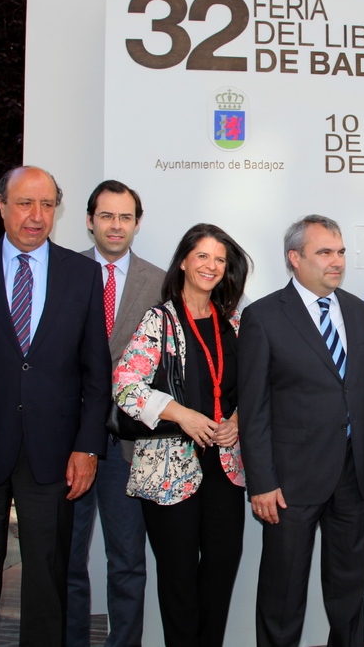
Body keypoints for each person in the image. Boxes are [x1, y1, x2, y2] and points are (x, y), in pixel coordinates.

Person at [0, 166, 111, 647]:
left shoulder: (83, 273)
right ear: (1, 205)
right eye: (24, 203)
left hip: (55, 454)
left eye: (47, 205)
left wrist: (88, 447)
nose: (36, 217)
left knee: (48, 573)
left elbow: (95, 371)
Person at [238, 214, 364, 647]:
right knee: (283, 595)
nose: (336, 261)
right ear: (295, 258)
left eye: (340, 252)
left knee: (349, 591)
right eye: (324, 252)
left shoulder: (357, 310)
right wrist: (261, 483)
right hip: (289, 482)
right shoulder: (264, 317)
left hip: (352, 474)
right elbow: (254, 408)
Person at [114, 223, 251, 647]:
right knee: (177, 579)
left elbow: (259, 385)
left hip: (225, 468)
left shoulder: (235, 322)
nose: (211, 266)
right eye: (203, 256)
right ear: (185, 261)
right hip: (169, 469)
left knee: (220, 572)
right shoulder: (160, 319)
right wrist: (183, 415)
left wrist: (238, 419)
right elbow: (125, 385)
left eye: (219, 259)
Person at [67, 180, 164, 647]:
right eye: (106, 216)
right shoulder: (62, 273)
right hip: (68, 441)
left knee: (127, 559)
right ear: (89, 220)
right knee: (67, 559)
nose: (115, 225)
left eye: (125, 217)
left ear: (137, 224)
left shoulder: (161, 281)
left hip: (129, 443)